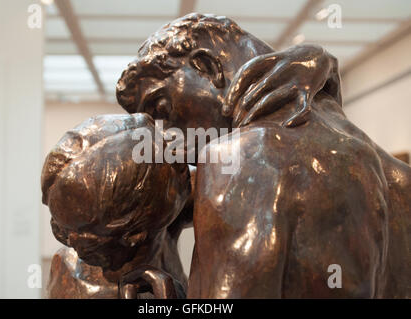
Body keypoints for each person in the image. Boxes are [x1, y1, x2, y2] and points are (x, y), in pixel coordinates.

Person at [116, 13, 411, 298]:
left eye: (162, 109)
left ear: (207, 66)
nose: (168, 137)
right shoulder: (398, 178)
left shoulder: (240, 160)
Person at [41, 113, 192, 298]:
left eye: (85, 239)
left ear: (134, 236)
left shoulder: (162, 211)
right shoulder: (72, 280)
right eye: (59, 229)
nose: (69, 242)